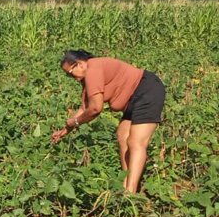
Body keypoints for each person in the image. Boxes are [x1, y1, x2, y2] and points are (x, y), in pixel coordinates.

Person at [51, 51, 165, 193]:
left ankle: (130, 193)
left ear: (79, 64)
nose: (73, 78)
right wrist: (65, 130)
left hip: (147, 90)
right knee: (123, 135)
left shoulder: (94, 68)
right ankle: (127, 183)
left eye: (70, 73)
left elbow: (95, 108)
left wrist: (75, 122)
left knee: (136, 142)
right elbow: (84, 108)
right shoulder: (89, 76)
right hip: (132, 100)